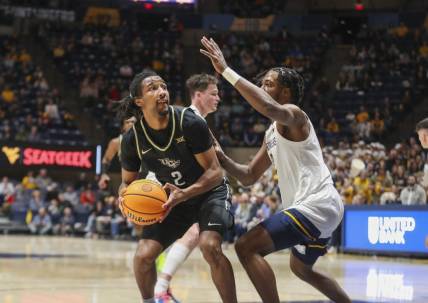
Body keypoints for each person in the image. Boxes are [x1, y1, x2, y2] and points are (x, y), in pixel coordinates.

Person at [200, 36, 351, 303]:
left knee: (246, 247)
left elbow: (268, 107)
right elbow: (248, 176)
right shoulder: (272, 133)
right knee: (300, 268)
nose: (261, 87)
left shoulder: (294, 115)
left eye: (268, 84)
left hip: (316, 203)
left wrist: (225, 71)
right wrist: (222, 158)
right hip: (321, 209)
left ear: (285, 93)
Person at [117, 70, 236, 303]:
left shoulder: (189, 122)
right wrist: (123, 197)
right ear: (139, 101)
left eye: (163, 86)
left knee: (209, 246)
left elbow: (214, 172)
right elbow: (126, 182)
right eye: (153, 88)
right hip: (172, 199)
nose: (162, 92)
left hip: (209, 192)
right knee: (143, 256)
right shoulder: (133, 139)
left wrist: (185, 194)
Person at [154, 73, 221, 302]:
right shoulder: (188, 120)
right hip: (174, 186)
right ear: (198, 95)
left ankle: (161, 287)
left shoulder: (197, 122)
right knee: (193, 234)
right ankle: (160, 288)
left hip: (185, 187)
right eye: (213, 93)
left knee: (192, 234)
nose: (218, 98)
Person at [98, 116, 137, 189]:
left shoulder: (144, 141)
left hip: (141, 178)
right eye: (127, 122)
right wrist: (103, 174)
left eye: (133, 122)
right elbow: (106, 159)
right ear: (123, 127)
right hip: (123, 178)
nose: (131, 124)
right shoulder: (116, 142)